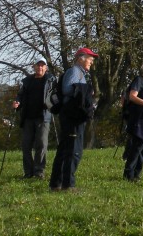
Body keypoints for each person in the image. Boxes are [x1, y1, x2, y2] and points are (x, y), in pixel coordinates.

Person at [49, 47, 97, 191]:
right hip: (72, 116)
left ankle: (55, 184)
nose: (91, 62)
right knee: (74, 151)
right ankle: (68, 185)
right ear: (81, 58)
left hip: (72, 115)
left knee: (65, 149)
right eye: (90, 58)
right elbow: (67, 90)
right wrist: (86, 89)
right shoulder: (75, 71)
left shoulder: (81, 73)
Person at [12, 57, 53, 179]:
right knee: (26, 146)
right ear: (34, 67)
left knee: (41, 144)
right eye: (38, 65)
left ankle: (39, 172)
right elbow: (20, 96)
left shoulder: (50, 80)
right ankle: (28, 173)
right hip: (28, 118)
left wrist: (53, 105)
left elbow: (55, 95)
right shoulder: (27, 81)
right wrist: (17, 103)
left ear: (46, 68)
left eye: (42, 65)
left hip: (43, 117)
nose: (40, 67)